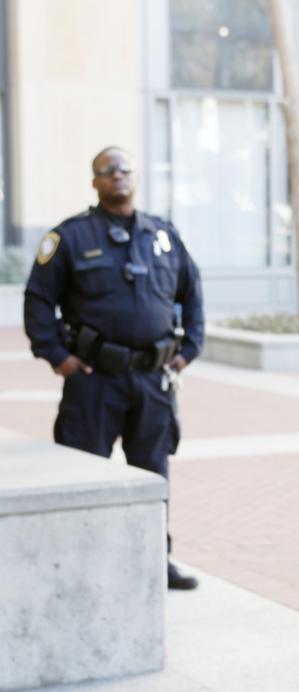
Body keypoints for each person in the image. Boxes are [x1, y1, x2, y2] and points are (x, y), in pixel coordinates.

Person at [23, 146, 204, 590]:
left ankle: (155, 562)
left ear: (135, 177)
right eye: (108, 171)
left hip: (152, 379)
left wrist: (189, 348)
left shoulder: (162, 234)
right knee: (84, 473)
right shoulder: (70, 237)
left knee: (153, 473)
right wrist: (58, 358)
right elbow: (38, 302)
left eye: (124, 169)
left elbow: (192, 292)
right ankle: (79, 566)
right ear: (95, 181)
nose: (117, 176)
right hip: (94, 380)